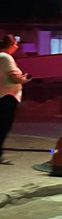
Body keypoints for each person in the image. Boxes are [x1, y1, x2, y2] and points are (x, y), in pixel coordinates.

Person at [0, 34, 31, 165]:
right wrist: (25, 79)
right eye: (16, 45)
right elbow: (14, 77)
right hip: (7, 96)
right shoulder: (6, 57)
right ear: (11, 45)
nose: (17, 47)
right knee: (3, 126)